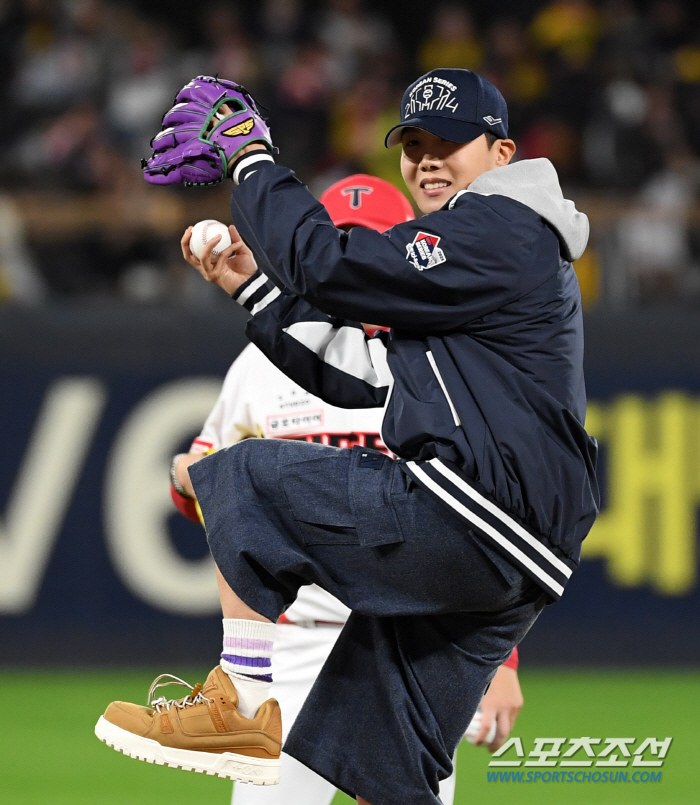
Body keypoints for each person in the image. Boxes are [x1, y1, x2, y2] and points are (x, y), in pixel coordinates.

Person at [97, 69, 598, 805]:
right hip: (512, 553)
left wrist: (250, 156)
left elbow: (327, 264)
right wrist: (252, 288)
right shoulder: (489, 252)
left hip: (481, 513)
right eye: (415, 144)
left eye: (450, 142)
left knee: (243, 477)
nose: (429, 158)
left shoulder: (500, 226)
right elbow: (368, 373)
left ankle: (234, 700)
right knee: (384, 771)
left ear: (501, 153)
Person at [168, 174, 523, 805]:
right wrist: (192, 479)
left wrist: (501, 662)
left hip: (406, 641)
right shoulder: (262, 360)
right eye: (343, 243)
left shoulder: (438, 362)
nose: (355, 262)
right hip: (294, 641)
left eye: (374, 243)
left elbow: (489, 525)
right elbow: (208, 490)